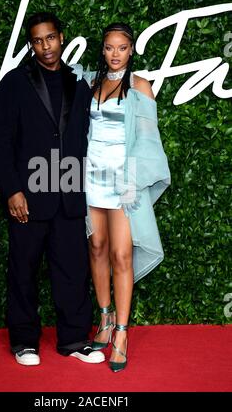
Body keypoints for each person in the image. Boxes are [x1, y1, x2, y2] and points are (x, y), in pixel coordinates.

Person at [0, 12, 105, 366]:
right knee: (23, 269)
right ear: (31, 44)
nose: (45, 46)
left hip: (68, 190)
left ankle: (73, 339)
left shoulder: (77, 83)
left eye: (50, 38)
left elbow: (85, 138)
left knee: (72, 268)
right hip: (28, 195)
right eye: (37, 40)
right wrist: (11, 190)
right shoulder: (13, 84)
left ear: (61, 37)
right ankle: (24, 341)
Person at [85, 22, 171, 372]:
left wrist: (133, 181)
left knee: (122, 254)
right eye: (109, 47)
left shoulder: (140, 86)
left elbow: (149, 142)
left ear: (131, 49)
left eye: (122, 47)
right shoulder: (89, 81)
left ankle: (121, 332)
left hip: (124, 181)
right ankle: (104, 319)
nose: (115, 53)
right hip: (89, 178)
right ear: (102, 49)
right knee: (96, 247)